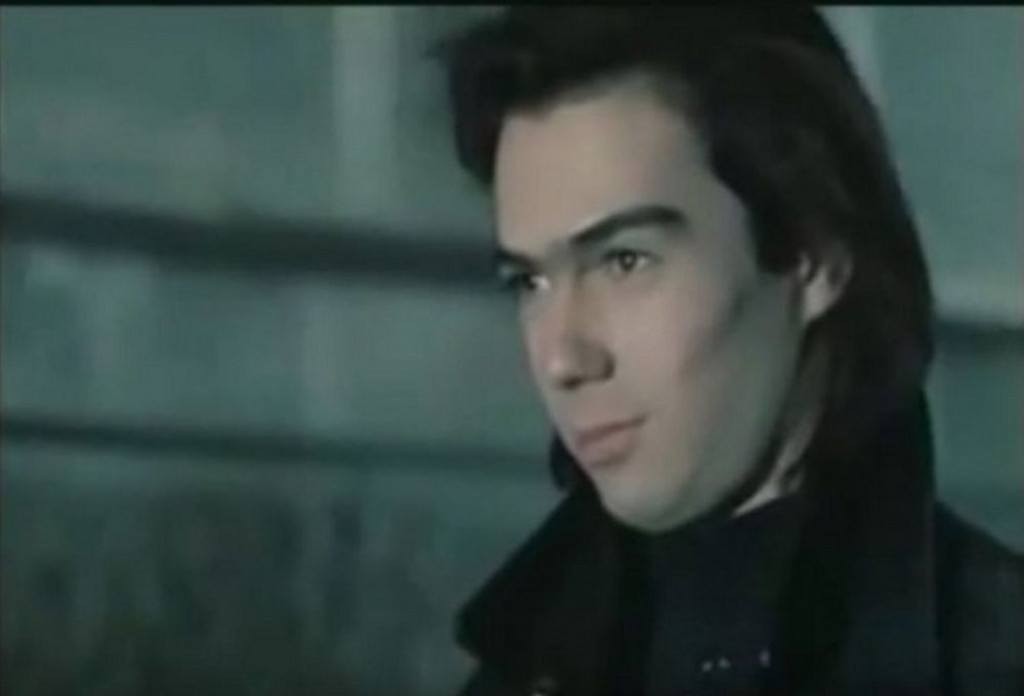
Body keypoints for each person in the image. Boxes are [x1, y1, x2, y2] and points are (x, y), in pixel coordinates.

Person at [438, 7, 1023, 695]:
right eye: (529, 282)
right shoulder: (524, 664)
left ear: (811, 258)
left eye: (624, 261)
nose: (563, 359)